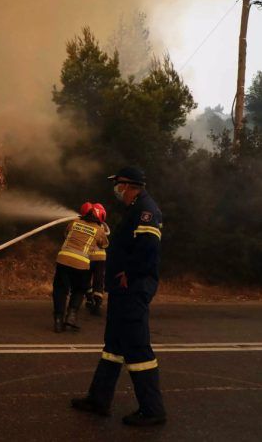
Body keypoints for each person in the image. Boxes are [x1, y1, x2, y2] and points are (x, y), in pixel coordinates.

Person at [71, 166, 167, 426]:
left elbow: (148, 250)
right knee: (113, 346)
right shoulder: (134, 209)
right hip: (122, 289)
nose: (116, 188)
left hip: (133, 288)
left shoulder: (146, 210)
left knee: (137, 346)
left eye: (118, 184)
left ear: (128, 185)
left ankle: (152, 410)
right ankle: (99, 400)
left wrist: (130, 274)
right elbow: (128, 247)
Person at [52, 202, 108, 332]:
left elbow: (66, 234)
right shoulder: (99, 230)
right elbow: (104, 245)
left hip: (63, 260)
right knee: (78, 290)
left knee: (60, 290)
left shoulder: (74, 222)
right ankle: (71, 317)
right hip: (81, 264)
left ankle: (58, 320)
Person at [86, 203, 109, 316]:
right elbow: (105, 244)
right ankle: (98, 303)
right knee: (98, 281)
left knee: (86, 279)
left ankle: (90, 299)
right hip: (100, 259)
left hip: (88, 257)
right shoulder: (103, 227)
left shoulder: (86, 224)